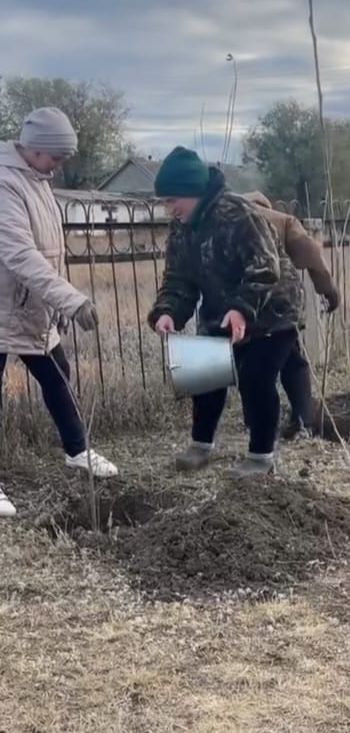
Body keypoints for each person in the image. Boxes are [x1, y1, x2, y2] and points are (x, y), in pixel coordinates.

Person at [147, 148, 303, 476]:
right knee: (202, 369)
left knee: (256, 379)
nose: (169, 208)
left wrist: (241, 310)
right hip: (220, 309)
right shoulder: (182, 228)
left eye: (174, 200)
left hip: (272, 309)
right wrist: (169, 312)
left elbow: (264, 267)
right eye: (165, 202)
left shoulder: (238, 213)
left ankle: (261, 458)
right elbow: (179, 278)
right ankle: (200, 446)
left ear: (193, 192)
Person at [0, 108, 118, 517]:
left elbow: (51, 251)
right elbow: (20, 254)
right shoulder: (5, 182)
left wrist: (57, 301)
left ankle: (77, 450)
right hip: (2, 306)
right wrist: (71, 298)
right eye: (56, 156)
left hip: (31, 307)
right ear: (33, 148)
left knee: (58, 379)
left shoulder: (38, 179)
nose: (60, 165)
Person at [243, 192, 339, 438]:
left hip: (243, 302)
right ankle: (303, 419)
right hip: (282, 301)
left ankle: (255, 419)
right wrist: (328, 290)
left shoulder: (228, 220)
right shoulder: (283, 220)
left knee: (250, 360)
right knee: (293, 360)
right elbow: (312, 257)